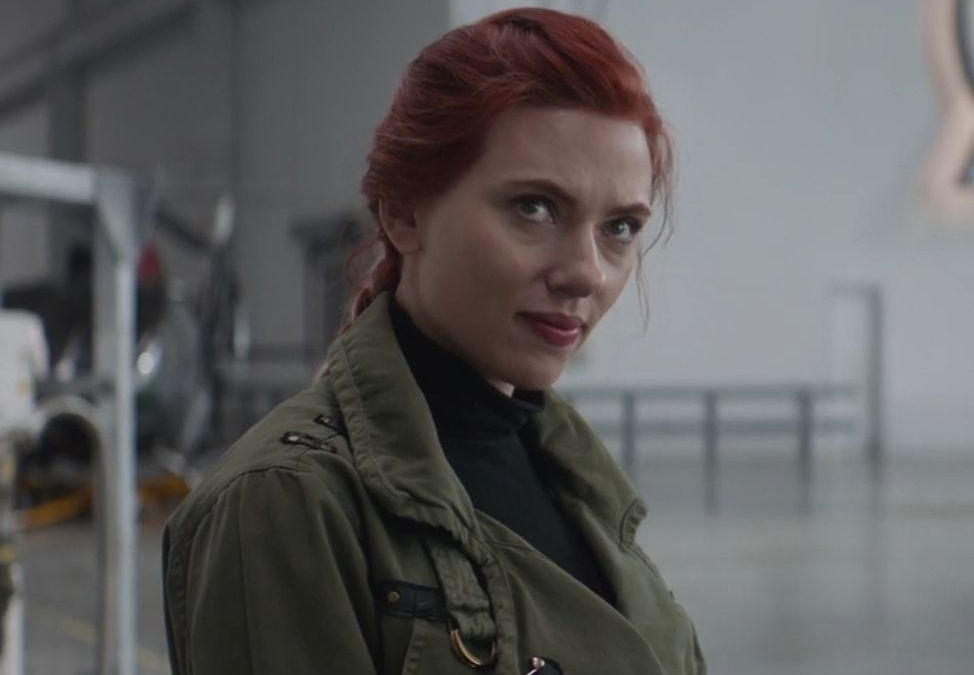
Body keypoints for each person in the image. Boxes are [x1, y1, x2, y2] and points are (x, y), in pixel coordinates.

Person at [161, 7, 705, 674]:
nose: (586, 272)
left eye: (619, 227)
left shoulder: (577, 483)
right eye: (534, 207)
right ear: (404, 213)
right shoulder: (285, 502)